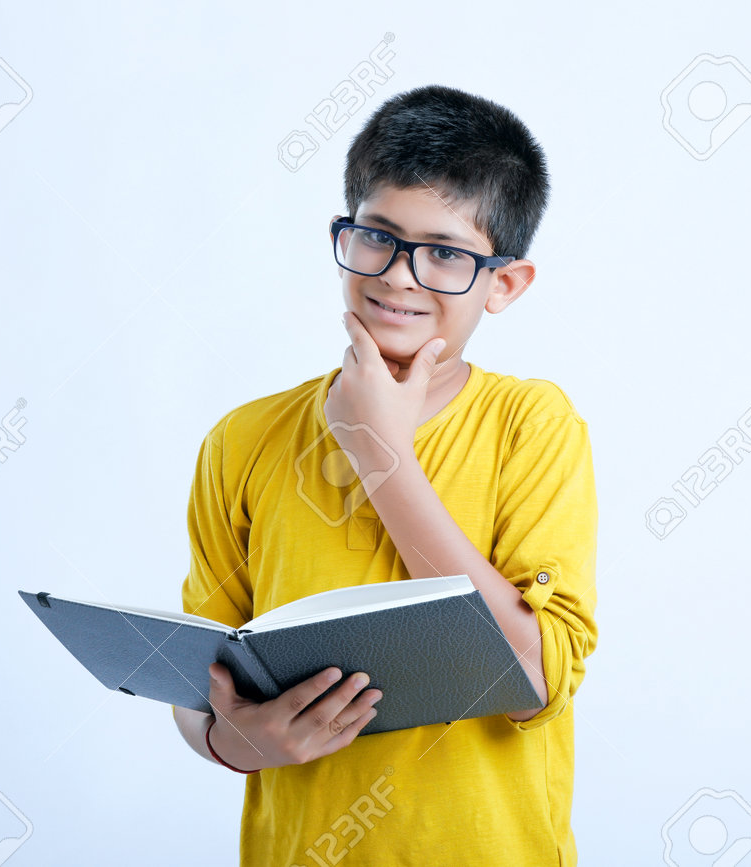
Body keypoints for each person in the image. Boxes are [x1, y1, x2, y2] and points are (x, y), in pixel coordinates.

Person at [172, 84, 598, 866]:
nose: (400, 275)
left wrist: (379, 454)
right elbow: (200, 683)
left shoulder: (532, 425)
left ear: (503, 283)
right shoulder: (244, 439)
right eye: (378, 237)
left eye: (445, 253)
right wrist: (233, 740)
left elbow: (534, 676)